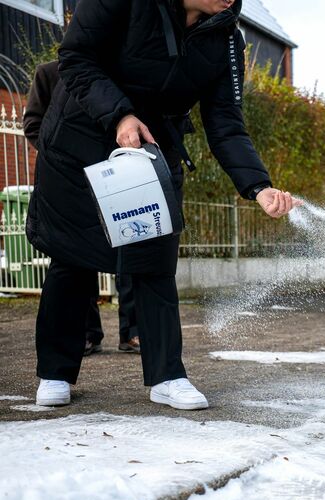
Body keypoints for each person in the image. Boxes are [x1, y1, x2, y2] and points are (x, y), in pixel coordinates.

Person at [27, 0, 299, 409]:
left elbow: (225, 120)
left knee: (154, 260)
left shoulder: (226, 38)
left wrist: (257, 187)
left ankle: (167, 376)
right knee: (73, 257)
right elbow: (76, 58)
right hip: (78, 139)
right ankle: (55, 372)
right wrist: (120, 116)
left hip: (152, 149)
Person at [23, 61, 140, 358]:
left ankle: (133, 332)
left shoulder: (116, 70)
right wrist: (61, 158)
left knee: (128, 247)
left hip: (116, 176)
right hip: (69, 180)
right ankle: (87, 333)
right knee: (76, 257)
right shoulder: (49, 73)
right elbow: (33, 124)